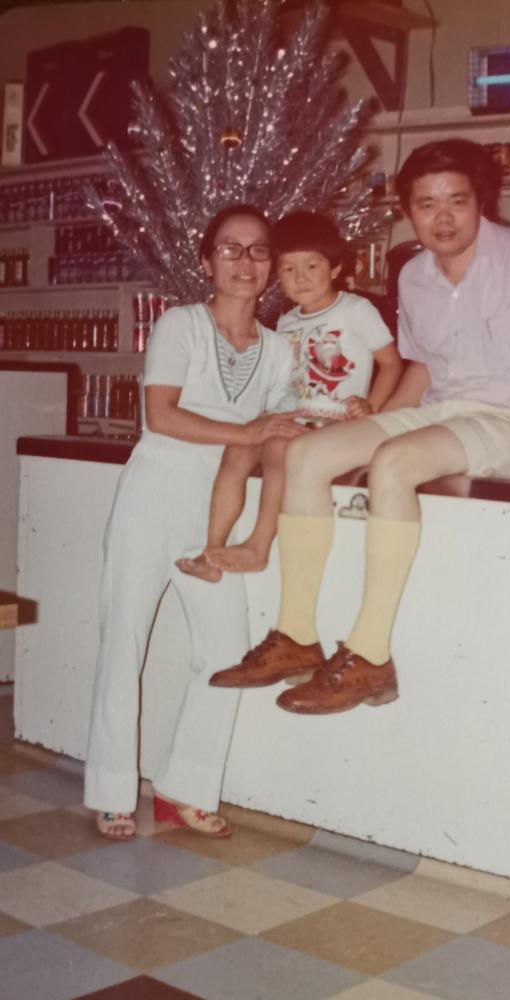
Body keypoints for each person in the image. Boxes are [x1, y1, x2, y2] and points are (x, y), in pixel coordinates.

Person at [208, 139, 510, 714]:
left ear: (482, 202)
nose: (443, 217)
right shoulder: (416, 276)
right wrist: (374, 419)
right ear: (408, 210)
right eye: (427, 204)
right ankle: (296, 636)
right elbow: (423, 369)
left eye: (457, 201)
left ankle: (371, 655)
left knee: (394, 462)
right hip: (444, 412)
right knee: (306, 454)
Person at [84, 204, 304, 839]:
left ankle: (186, 785)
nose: (244, 261)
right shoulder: (181, 325)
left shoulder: (281, 351)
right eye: (230, 249)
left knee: (227, 651)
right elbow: (163, 416)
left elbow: (273, 441)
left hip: (215, 503)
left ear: (271, 265)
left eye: (258, 250)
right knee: (123, 636)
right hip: (153, 487)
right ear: (207, 262)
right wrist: (249, 429)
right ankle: (111, 793)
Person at [175, 211, 401, 581]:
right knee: (236, 451)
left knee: (281, 451)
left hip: (333, 420)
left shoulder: (356, 310)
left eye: (312, 266)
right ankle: (211, 549)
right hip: (291, 414)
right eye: (289, 270)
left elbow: (391, 364)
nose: (301, 278)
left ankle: (258, 547)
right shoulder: (285, 322)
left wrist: (371, 404)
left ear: (335, 268)